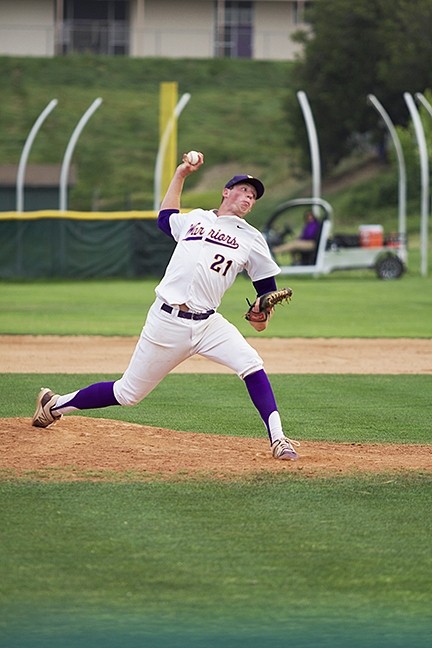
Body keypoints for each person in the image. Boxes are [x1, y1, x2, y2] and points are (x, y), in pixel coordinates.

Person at [32, 152, 299, 461]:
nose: (248, 197)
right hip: (166, 321)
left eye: (253, 196)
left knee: (251, 364)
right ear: (226, 191)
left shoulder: (252, 239)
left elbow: (263, 307)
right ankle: (54, 406)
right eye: (243, 189)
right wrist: (181, 174)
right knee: (128, 394)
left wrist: (259, 315)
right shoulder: (195, 217)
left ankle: (278, 438)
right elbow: (164, 218)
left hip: (209, 325)